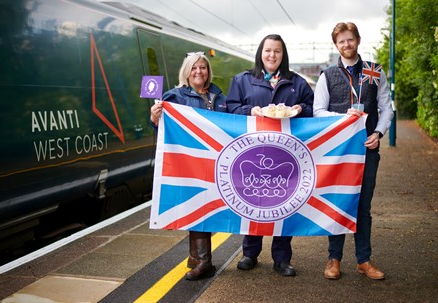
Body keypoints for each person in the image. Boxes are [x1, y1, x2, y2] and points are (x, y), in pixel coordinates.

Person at [226, 34, 314, 276]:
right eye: (268, 51)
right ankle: (249, 253)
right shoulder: (242, 80)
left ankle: (282, 258)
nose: (272, 55)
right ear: (260, 53)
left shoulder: (297, 82)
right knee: (252, 200)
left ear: (283, 55)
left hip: (286, 155)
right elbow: (230, 108)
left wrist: (299, 109)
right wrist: (250, 110)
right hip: (252, 153)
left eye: (277, 51)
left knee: (284, 203)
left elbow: (312, 108)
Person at [313, 22, 393, 280]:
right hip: (338, 152)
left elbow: (386, 107)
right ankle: (333, 259)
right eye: (341, 42)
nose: (346, 45)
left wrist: (378, 133)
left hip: (366, 150)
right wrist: (341, 117)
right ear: (336, 45)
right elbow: (318, 112)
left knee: (362, 207)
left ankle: (363, 260)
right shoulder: (327, 75)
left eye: (350, 40)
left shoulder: (374, 71)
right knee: (338, 203)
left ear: (357, 40)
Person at [150, 51, 227, 281]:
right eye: (194, 68)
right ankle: (205, 262)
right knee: (199, 205)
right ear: (187, 71)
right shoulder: (175, 96)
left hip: (216, 162)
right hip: (189, 162)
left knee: (207, 206)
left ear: (208, 71)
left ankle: (195, 257)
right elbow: (163, 128)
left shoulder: (219, 97)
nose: (198, 72)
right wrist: (155, 118)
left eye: (202, 67)